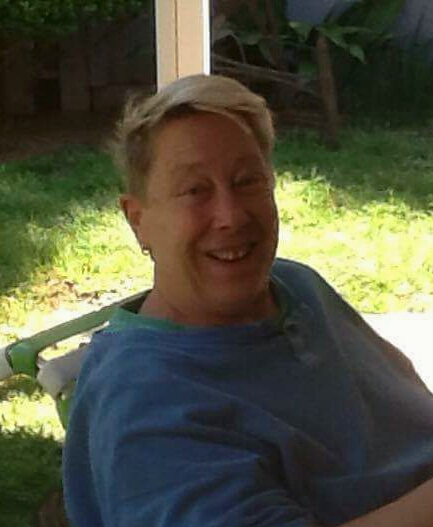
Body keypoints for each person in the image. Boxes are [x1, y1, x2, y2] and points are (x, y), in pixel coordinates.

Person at [63, 74, 433, 527]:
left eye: (247, 181)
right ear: (138, 220)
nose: (231, 215)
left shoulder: (296, 287)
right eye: (195, 190)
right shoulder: (146, 405)